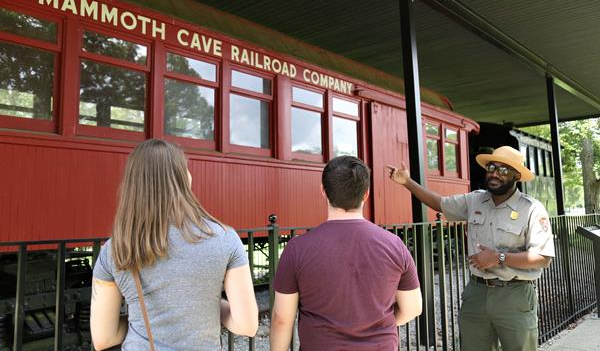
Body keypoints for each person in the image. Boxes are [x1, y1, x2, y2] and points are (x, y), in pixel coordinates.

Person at [90, 139, 258, 350]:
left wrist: (140, 319)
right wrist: (209, 305)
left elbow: (103, 338)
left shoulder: (114, 249)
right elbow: (247, 326)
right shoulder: (225, 239)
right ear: (182, 178)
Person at [387, 145, 555, 351]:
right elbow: (440, 203)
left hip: (514, 295)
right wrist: (407, 182)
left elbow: (542, 257)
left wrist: (499, 257)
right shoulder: (475, 200)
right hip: (476, 292)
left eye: (503, 170)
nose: (494, 173)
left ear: (516, 176)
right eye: (492, 167)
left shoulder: (532, 208)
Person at [270, 156, 422, 351]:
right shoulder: (394, 245)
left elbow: (282, 319)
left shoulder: (297, 248)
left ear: (324, 192)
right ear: (366, 195)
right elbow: (413, 308)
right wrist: (379, 324)